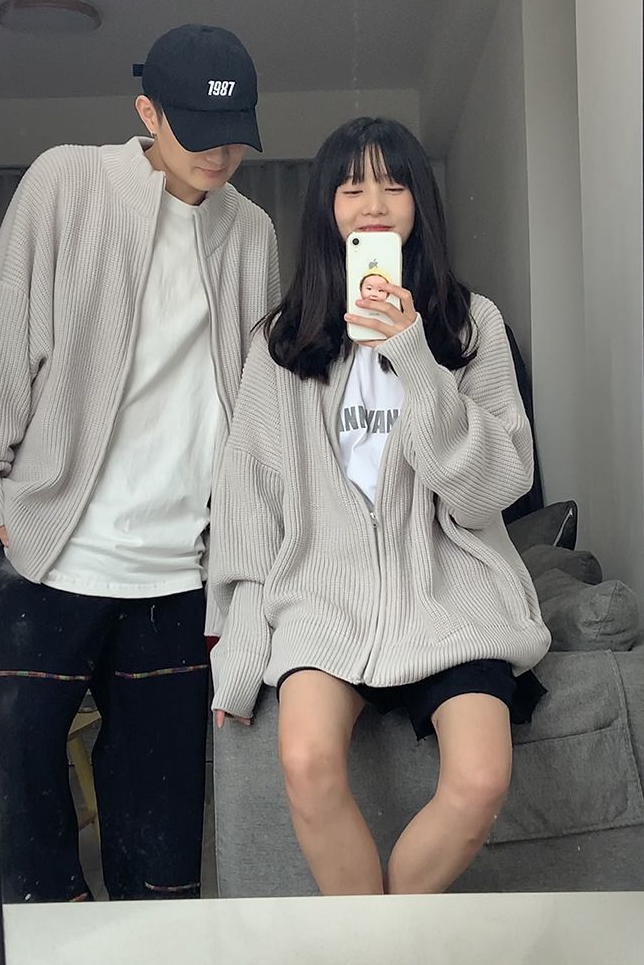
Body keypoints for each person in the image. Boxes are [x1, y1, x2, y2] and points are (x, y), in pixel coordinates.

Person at [0, 23, 279, 903]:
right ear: (147, 112)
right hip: (48, 553)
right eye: (196, 130)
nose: (219, 154)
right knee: (16, 802)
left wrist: (244, 548)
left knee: (162, 826)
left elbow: (257, 394)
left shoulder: (251, 231)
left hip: (179, 572)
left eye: (234, 135)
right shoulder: (66, 181)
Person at [209, 116, 550, 896]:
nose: (373, 205)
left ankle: (379, 938)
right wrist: (241, 646)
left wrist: (412, 354)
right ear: (326, 207)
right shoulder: (281, 342)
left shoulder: (471, 324)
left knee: (480, 780)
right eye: (352, 187)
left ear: (419, 202)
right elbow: (250, 501)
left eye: (393, 186)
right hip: (323, 598)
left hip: (449, 593)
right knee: (305, 760)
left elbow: (496, 485)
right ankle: (382, 943)